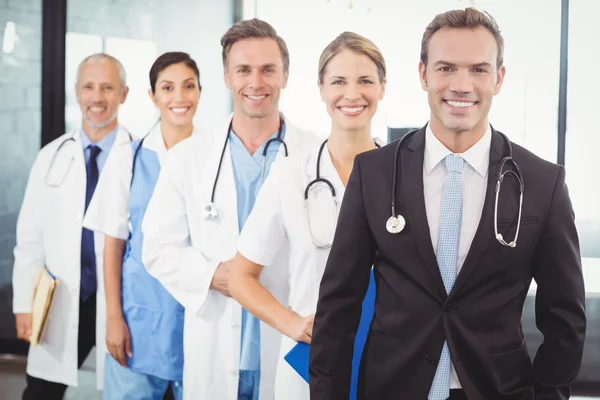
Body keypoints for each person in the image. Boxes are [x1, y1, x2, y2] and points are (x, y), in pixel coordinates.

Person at [309, 8, 586, 400]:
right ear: (423, 74)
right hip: (393, 389)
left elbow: (565, 317)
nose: (461, 84)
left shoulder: (543, 183)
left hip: (497, 389)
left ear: (499, 78)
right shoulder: (374, 173)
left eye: (478, 69)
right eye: (445, 68)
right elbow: (337, 309)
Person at [141, 19, 319, 400]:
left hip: (293, 342)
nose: (256, 82)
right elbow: (156, 248)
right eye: (243, 70)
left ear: (285, 75)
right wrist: (216, 276)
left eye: (268, 69)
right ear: (226, 77)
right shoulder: (189, 157)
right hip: (217, 342)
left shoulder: (316, 157)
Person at [228, 31, 385, 400]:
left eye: (365, 80)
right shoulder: (291, 173)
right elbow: (240, 277)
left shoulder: (405, 176)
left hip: (387, 362)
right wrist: (294, 325)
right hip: (308, 366)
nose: (352, 94)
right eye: (338, 82)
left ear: (382, 87)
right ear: (320, 87)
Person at [82, 52, 202, 400]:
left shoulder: (214, 155)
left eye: (188, 86)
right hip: (139, 318)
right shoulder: (129, 157)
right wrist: (113, 319)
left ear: (200, 92)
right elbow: (113, 244)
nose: (179, 98)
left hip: (196, 314)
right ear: (152, 96)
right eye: (167, 88)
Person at [12, 53, 131, 399]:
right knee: (41, 391)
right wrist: (24, 303)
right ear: (77, 92)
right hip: (63, 296)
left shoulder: (139, 156)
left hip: (119, 300)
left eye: (108, 87)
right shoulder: (51, 155)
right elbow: (30, 237)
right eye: (89, 87)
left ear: (123, 94)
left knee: (136, 388)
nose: (97, 98)